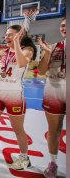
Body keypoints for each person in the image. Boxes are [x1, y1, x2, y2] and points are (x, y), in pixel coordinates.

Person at [0, 25, 36, 170]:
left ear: (19, 36)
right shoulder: (3, 52)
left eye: (10, 35)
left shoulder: (28, 50)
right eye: (6, 35)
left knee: (18, 129)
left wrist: (16, 43)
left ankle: (24, 158)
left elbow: (21, 63)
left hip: (14, 94)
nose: (7, 37)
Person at [37, 17, 66, 178]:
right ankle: (53, 163)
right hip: (53, 90)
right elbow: (41, 71)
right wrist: (47, 54)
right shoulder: (54, 47)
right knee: (54, 131)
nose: (64, 28)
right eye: (62, 25)